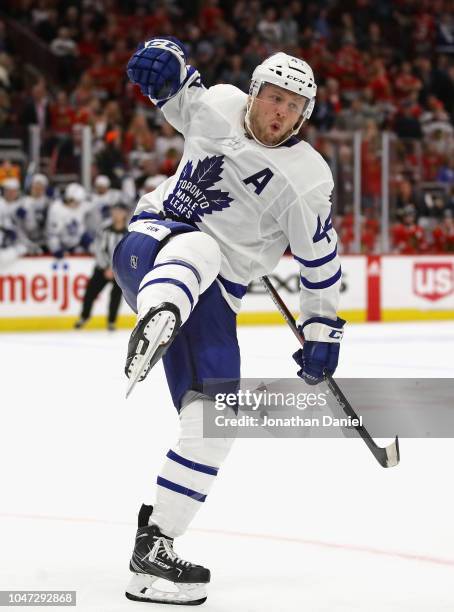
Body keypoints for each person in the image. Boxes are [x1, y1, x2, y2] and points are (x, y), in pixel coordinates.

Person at [113, 37, 344, 606]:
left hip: (215, 299)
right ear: (253, 90)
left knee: (217, 426)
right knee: (202, 249)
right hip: (151, 246)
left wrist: (322, 330)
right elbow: (168, 82)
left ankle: (154, 551)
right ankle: (159, 312)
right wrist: (162, 55)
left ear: (303, 116)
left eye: (293, 106)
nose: (279, 112)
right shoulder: (216, 103)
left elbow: (320, 262)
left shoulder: (306, 179)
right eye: (272, 96)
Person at [74, 203, 128, 331]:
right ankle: (84, 316)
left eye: (120, 211)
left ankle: (111, 321)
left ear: (125, 214)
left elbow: (126, 252)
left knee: (116, 296)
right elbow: (99, 249)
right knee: (90, 292)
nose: (117, 214)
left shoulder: (128, 232)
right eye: (114, 211)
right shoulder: (104, 229)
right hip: (102, 268)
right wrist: (106, 267)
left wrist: (115, 269)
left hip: (118, 271)